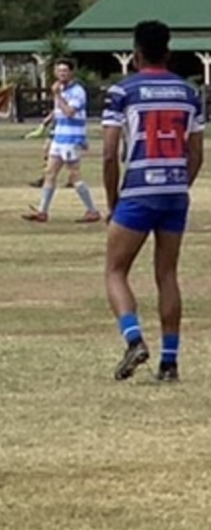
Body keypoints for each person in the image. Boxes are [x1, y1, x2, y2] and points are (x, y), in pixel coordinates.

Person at [101, 21, 204, 382]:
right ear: (169, 51)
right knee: (167, 274)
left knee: (115, 270)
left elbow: (110, 154)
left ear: (136, 53)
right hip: (175, 192)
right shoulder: (189, 92)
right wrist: (180, 185)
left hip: (138, 189)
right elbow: (196, 153)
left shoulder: (123, 90)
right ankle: (170, 361)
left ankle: (133, 339)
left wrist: (114, 201)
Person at [21, 60, 102, 223]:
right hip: (59, 137)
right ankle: (42, 211)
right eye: (59, 71)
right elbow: (60, 109)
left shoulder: (77, 91)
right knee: (50, 173)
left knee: (74, 175)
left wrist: (57, 95)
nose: (62, 74)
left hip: (71, 138)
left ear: (72, 72)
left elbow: (70, 112)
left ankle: (92, 210)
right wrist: (50, 118)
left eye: (65, 71)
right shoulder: (62, 89)